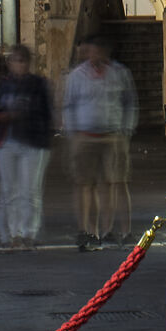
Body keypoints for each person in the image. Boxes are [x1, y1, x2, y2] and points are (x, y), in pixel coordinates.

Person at [62, 36, 137, 250]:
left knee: (114, 182)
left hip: (112, 135)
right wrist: (73, 132)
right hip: (86, 136)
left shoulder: (119, 74)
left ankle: (111, 229)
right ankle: (88, 230)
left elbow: (129, 102)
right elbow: (69, 105)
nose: (94, 55)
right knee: (86, 184)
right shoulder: (77, 76)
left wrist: (126, 129)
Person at [0, 44, 53, 248]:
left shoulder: (38, 85)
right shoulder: (2, 85)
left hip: (33, 142)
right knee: (9, 190)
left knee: (30, 190)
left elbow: (44, 114)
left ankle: (29, 232)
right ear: (9, 63)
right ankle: (10, 234)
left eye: (22, 60)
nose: (18, 64)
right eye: (15, 60)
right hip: (7, 141)